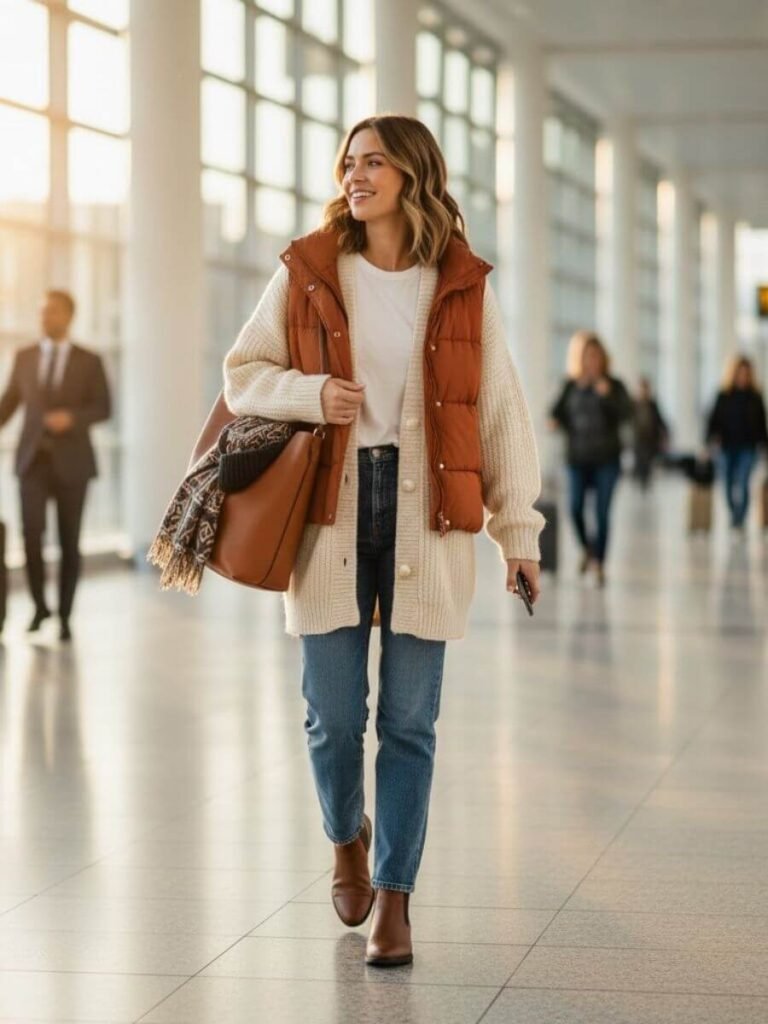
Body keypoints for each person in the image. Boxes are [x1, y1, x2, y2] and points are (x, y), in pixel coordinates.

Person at [222, 115, 544, 967]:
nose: (355, 174)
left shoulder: (464, 283)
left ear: (412, 174)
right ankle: (345, 838)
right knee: (332, 720)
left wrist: (521, 534)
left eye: (373, 161)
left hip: (427, 521)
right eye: (349, 162)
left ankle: (396, 898)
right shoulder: (310, 269)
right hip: (329, 513)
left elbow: (500, 411)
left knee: (409, 722)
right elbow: (243, 373)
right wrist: (310, 391)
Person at [0, 290, 111, 640]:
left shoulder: (89, 360)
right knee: (30, 537)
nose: (45, 318)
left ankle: (64, 616)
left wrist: (73, 418)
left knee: (69, 541)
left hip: (72, 464)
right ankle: (38, 607)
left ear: (68, 316)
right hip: (32, 462)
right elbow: (8, 406)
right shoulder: (24, 357)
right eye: (42, 312)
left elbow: (104, 408)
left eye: (52, 312)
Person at [549, 331, 633, 586]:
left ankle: (598, 564)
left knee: (602, 513)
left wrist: (606, 395)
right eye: (587, 356)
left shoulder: (614, 385)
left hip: (607, 459)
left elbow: (627, 414)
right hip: (577, 458)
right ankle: (588, 549)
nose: (592, 361)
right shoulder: (570, 385)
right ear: (579, 358)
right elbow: (555, 413)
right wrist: (553, 422)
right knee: (574, 508)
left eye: (596, 356)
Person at [706, 354, 768, 531]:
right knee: (726, 484)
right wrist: (708, 442)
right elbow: (713, 420)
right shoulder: (723, 395)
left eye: (746, 373)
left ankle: (740, 519)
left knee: (743, 482)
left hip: (748, 447)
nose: (743, 377)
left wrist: (764, 445)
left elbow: (762, 424)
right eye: (740, 373)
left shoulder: (756, 396)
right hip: (726, 446)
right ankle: (734, 514)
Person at [632, 377, 668, 489]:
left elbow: (659, 419)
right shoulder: (633, 404)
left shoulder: (652, 404)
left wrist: (665, 432)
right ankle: (640, 478)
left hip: (650, 438)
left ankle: (645, 480)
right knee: (640, 459)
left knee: (648, 460)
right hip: (638, 438)